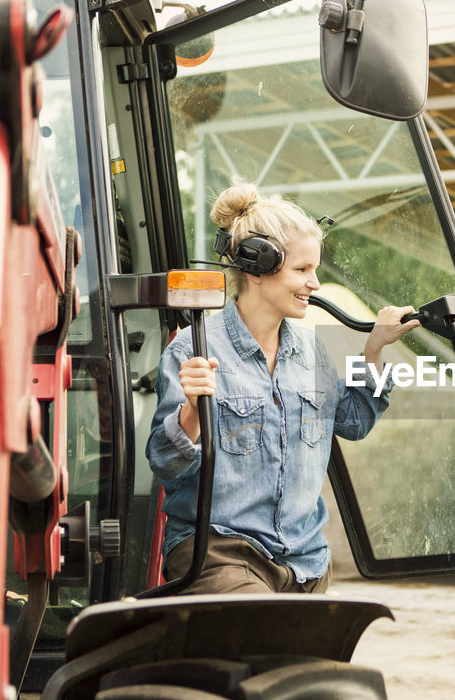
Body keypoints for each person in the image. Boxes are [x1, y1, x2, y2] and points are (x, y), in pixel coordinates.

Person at [147, 182, 419, 594]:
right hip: (220, 553)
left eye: (316, 271)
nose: (315, 284)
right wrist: (190, 410)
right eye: (302, 270)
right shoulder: (194, 347)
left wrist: (374, 349)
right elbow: (165, 463)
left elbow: (354, 422)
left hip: (305, 561)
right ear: (258, 266)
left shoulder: (312, 352)